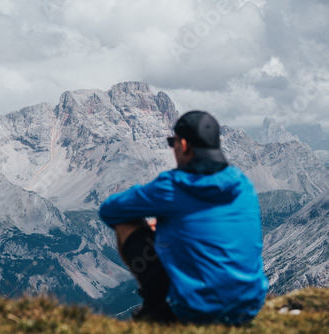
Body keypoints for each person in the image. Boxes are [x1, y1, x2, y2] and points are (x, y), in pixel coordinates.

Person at [99, 110, 268, 325]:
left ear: (185, 145)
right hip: (248, 309)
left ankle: (154, 308)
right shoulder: (244, 185)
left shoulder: (172, 186)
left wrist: (151, 208)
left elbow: (109, 210)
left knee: (126, 222)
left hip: (193, 315)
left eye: (173, 142)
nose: (172, 149)